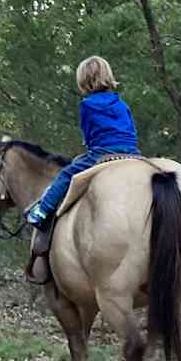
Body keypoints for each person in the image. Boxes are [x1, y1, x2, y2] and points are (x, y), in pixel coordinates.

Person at [25, 55, 140, 284]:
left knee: (67, 174)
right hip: (132, 154)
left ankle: (42, 211)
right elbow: (131, 130)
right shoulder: (121, 103)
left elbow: (89, 138)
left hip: (103, 154)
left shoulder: (87, 105)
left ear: (84, 80)